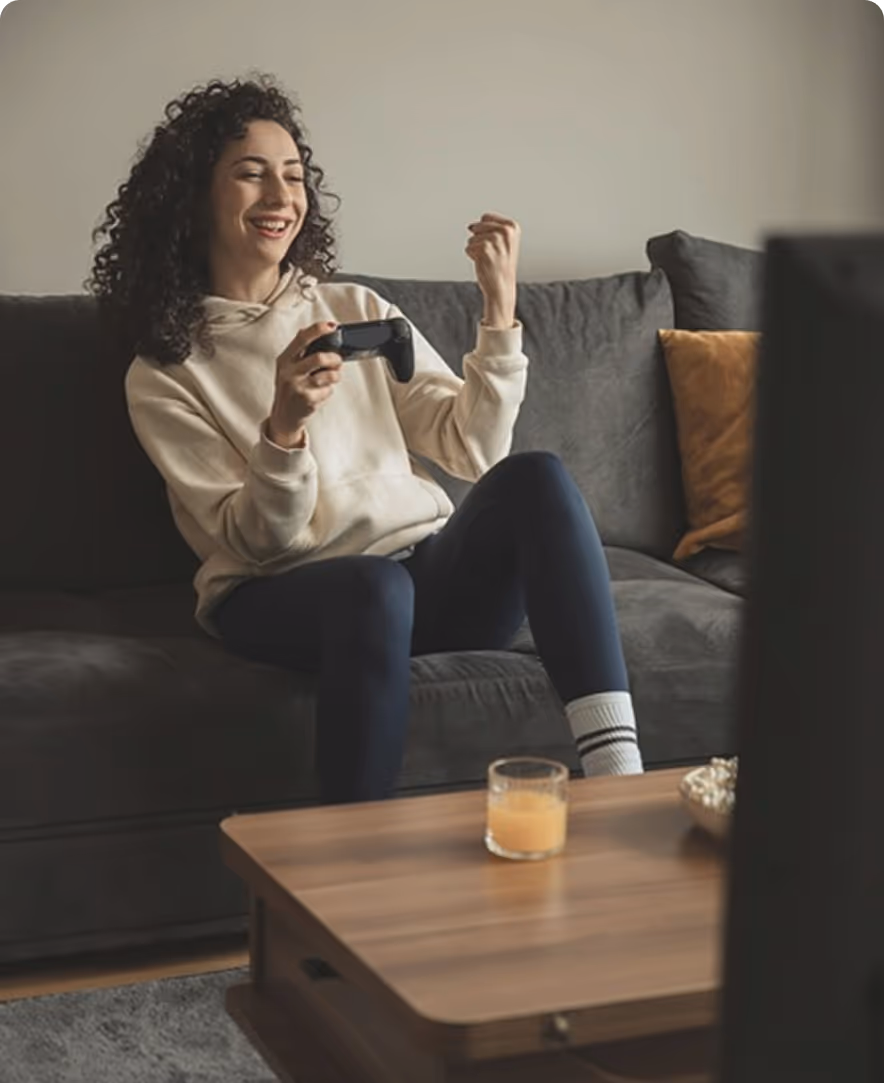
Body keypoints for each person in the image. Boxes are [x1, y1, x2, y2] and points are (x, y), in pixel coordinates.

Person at [85, 73, 644, 804]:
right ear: (192, 198)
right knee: (373, 587)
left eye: (292, 176)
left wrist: (500, 310)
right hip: (281, 597)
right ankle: (354, 854)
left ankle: (619, 778)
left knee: (534, 477)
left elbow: (473, 450)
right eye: (250, 175)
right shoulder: (165, 369)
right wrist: (283, 427)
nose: (281, 197)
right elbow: (258, 543)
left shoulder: (356, 308)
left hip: (426, 584)